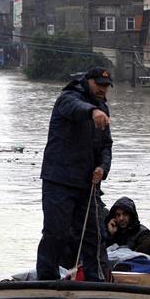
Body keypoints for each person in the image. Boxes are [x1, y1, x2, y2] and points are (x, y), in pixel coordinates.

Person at [36, 67, 113, 281]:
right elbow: (75, 108)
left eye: (106, 86)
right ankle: (46, 279)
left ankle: (97, 281)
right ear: (88, 81)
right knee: (56, 233)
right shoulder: (68, 98)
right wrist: (92, 112)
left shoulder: (102, 107)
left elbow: (106, 145)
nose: (102, 89)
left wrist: (102, 168)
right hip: (59, 180)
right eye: (99, 84)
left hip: (88, 184)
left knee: (95, 235)